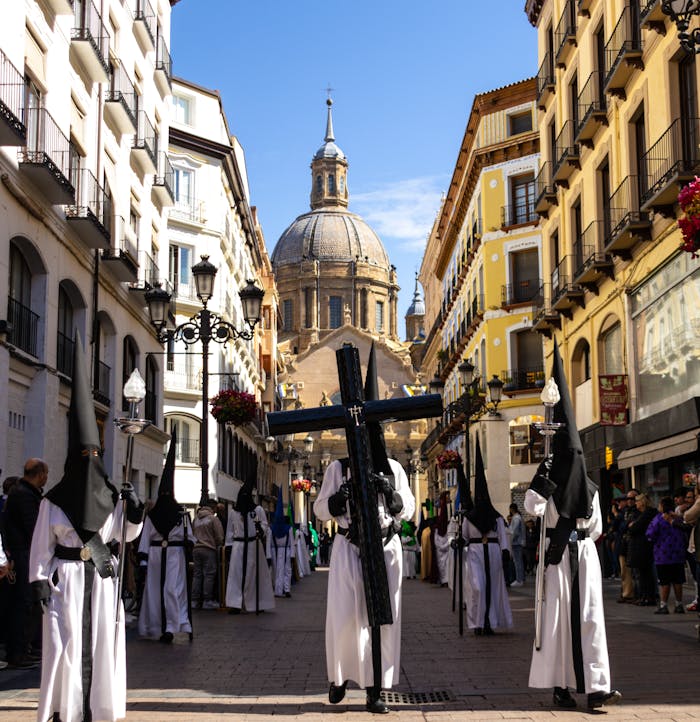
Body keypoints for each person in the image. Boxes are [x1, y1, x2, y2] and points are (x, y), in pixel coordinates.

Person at [29, 334, 144, 722]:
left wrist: (135, 510)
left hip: (99, 578)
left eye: (95, 454)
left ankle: (97, 707)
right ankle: (65, 707)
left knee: (98, 645)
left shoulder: (112, 497)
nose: (90, 460)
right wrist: (40, 580)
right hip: (66, 583)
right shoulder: (53, 501)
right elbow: (41, 545)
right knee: (66, 644)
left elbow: (124, 538)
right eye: (85, 455)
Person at [313, 342, 416, 715]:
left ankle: (376, 688)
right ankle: (339, 676)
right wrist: (338, 501)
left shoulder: (395, 468)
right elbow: (320, 509)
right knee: (344, 616)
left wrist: (390, 493)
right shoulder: (337, 468)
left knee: (383, 619)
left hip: (386, 548)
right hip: (347, 547)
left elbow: (408, 508)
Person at [525, 341, 621, 711]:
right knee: (558, 622)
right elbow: (533, 508)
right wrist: (543, 483)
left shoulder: (592, 489)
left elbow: (595, 528)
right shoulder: (546, 478)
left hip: (584, 555)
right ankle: (561, 685)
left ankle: (597, 687)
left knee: (591, 619)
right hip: (557, 558)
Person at [138, 432, 194, 643]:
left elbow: (191, 538)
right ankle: (158, 626)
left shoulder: (182, 516)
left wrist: (188, 547)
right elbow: (145, 537)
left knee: (172, 589)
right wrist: (144, 559)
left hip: (174, 557)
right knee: (154, 592)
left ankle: (174, 624)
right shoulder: (153, 516)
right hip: (155, 557)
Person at [461, 438, 513, 636]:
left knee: (494, 588)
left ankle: (490, 622)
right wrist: (459, 542)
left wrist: (505, 550)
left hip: (492, 553)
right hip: (475, 553)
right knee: (478, 588)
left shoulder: (496, 517)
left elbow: (502, 536)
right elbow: (465, 537)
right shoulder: (469, 518)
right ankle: (477, 622)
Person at [3, 458, 48, 669]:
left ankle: (23, 650)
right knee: (23, 605)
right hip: (24, 556)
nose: (46, 478)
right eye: (45, 474)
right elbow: (33, 528)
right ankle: (19, 653)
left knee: (25, 605)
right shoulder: (24, 495)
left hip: (24, 554)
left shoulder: (23, 493)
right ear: (40, 474)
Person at [224, 480, 275, 614]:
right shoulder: (234, 513)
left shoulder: (257, 510)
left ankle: (257, 602)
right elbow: (229, 531)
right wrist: (229, 545)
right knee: (236, 575)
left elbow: (264, 525)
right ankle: (235, 603)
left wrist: (260, 528)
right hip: (238, 546)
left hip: (253, 545)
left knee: (255, 574)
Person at [646, 496, 688, 614]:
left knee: (664, 582)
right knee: (678, 581)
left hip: (662, 556)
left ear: (662, 506)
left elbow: (650, 534)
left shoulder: (659, 519)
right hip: (678, 555)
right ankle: (679, 604)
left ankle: (663, 605)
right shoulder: (677, 518)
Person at [626, 493, 658, 607]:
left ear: (642, 502)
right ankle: (644, 596)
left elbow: (634, 527)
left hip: (644, 547)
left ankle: (648, 597)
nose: (636, 504)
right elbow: (629, 526)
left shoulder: (647, 513)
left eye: (637, 501)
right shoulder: (641, 514)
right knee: (642, 574)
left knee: (645, 574)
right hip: (640, 547)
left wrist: (632, 525)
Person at [192, 499, 224, 610]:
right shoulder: (213, 519)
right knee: (209, 575)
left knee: (197, 575)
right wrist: (218, 544)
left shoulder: (196, 519)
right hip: (209, 549)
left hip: (196, 548)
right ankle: (207, 600)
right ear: (213, 508)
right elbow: (219, 536)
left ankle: (195, 600)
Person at [270, 487, 295, 598]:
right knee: (280, 571)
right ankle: (280, 589)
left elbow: (291, 541)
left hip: (284, 550)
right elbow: (269, 542)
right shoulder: (286, 528)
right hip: (282, 550)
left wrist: (292, 554)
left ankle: (285, 588)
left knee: (284, 570)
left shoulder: (273, 529)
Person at [433, 492, 451, 587]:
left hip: (443, 550)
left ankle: (446, 580)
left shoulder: (445, 528)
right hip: (443, 550)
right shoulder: (438, 530)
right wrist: (445, 546)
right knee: (443, 566)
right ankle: (443, 580)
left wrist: (442, 546)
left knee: (446, 566)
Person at [508, 502, 525, 586]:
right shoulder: (518, 517)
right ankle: (520, 579)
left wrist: (510, 540)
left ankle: (519, 580)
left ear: (511, 509)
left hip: (516, 542)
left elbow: (515, 532)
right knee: (519, 561)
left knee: (517, 562)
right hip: (518, 542)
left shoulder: (516, 518)